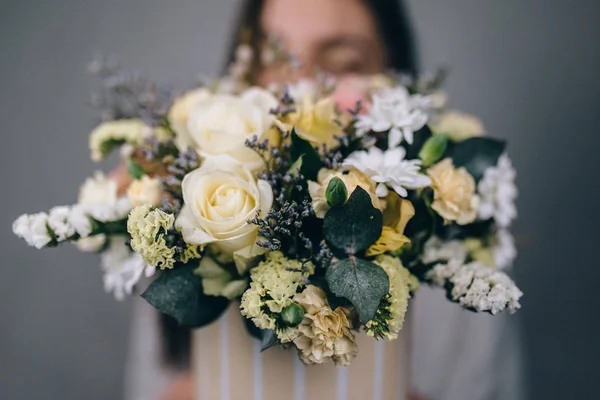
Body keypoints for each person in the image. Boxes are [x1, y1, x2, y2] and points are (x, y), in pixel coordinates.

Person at [124, 1, 525, 399]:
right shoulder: (188, 245)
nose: (300, 90)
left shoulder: (458, 276)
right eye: (274, 59)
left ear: (398, 86)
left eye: (343, 64)